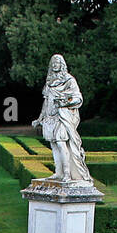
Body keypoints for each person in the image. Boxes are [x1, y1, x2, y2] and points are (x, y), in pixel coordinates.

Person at [31, 54, 92, 185]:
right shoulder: (49, 82)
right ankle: (58, 172)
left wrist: (65, 102)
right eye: (52, 62)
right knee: (53, 144)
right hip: (50, 117)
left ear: (62, 64)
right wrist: (40, 118)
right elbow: (46, 102)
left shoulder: (69, 80)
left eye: (57, 62)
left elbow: (78, 98)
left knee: (60, 142)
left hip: (62, 117)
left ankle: (67, 174)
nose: (54, 64)